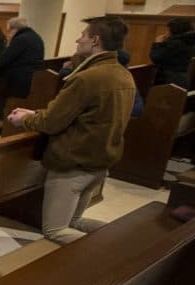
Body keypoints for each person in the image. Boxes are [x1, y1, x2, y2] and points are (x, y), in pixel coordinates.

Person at [8, 16, 136, 245]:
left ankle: (113, 255)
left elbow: (52, 123)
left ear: (95, 40)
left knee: (55, 230)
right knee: (75, 221)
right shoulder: (123, 74)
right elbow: (84, 114)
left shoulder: (88, 78)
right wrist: (34, 113)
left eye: (83, 35)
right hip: (100, 162)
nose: (78, 39)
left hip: (74, 164)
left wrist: (25, 121)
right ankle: (124, 240)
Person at [0, 17, 44, 119]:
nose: (8, 34)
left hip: (19, 80)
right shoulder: (35, 36)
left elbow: (2, 61)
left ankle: (2, 119)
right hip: (33, 77)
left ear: (14, 29)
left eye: (8, 31)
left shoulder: (21, 39)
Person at [150, 17, 195, 88]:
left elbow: (156, 57)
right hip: (182, 78)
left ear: (174, 30)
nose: (166, 32)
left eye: (168, 30)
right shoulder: (189, 41)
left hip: (169, 80)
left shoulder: (176, 43)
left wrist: (157, 43)